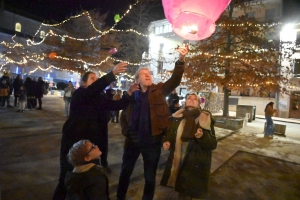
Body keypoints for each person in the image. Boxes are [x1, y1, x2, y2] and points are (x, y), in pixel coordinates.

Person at [53, 62, 139, 200]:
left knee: (90, 179)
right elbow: (92, 90)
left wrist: (128, 94)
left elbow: (116, 105)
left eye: (97, 79)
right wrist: (112, 74)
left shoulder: (100, 97)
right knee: (66, 178)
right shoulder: (81, 93)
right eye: (93, 79)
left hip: (92, 144)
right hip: (74, 143)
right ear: (83, 83)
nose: (96, 81)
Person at [117, 44, 189, 200]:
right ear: (137, 80)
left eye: (149, 73)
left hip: (153, 141)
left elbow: (175, 79)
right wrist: (127, 132)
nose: (148, 75)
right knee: (125, 172)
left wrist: (181, 59)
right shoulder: (130, 95)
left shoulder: (159, 90)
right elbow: (123, 117)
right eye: (143, 74)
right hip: (133, 141)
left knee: (150, 177)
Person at [160, 93, 217, 199]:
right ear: (185, 102)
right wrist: (167, 141)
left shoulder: (205, 118)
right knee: (182, 192)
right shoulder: (177, 118)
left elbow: (213, 144)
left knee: (190, 192)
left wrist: (202, 136)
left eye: (195, 99)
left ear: (199, 105)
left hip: (195, 163)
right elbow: (170, 135)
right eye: (189, 98)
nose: (191, 100)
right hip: (179, 160)